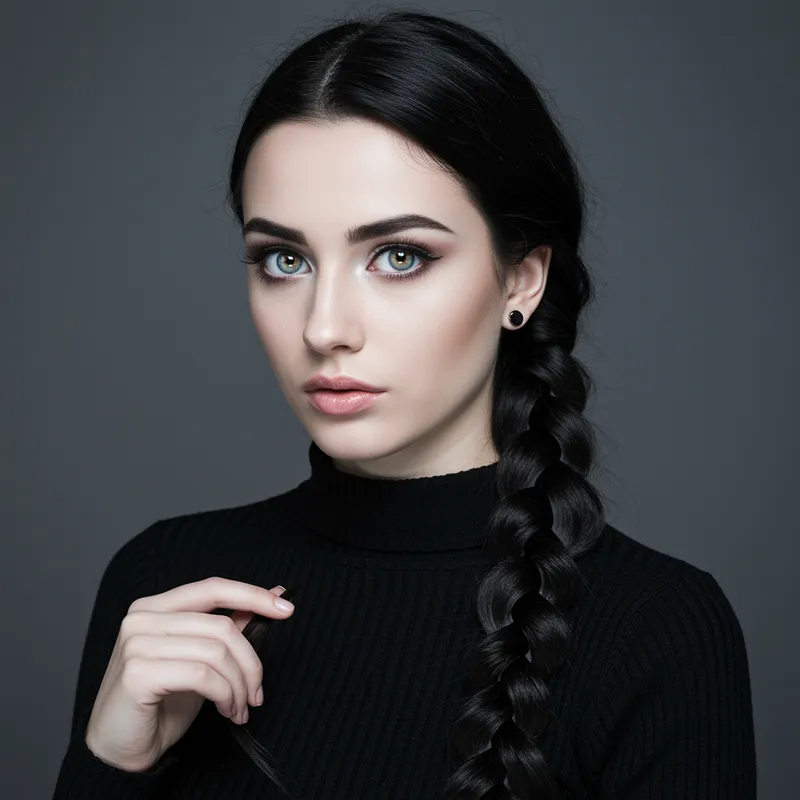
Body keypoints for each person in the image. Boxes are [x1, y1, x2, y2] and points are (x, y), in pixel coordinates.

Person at [52, 8, 757, 800]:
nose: (324, 328)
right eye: (283, 259)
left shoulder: (656, 628)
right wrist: (109, 764)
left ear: (522, 280)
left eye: (398, 256)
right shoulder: (167, 587)